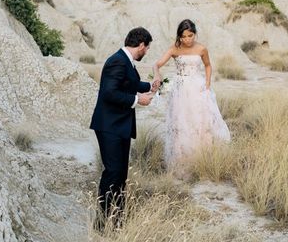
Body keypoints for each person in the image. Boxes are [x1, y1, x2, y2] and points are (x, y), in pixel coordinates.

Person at [90, 27, 160, 228]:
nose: (146, 52)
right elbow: (109, 93)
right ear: (141, 45)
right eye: (146, 48)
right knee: (112, 172)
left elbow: (128, 83)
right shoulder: (117, 61)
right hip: (109, 126)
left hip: (119, 126)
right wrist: (138, 99)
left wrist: (149, 87)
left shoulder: (124, 60)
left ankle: (118, 219)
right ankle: (102, 222)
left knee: (121, 174)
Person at [152, 19, 230, 178]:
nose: (187, 39)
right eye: (184, 36)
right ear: (179, 37)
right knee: (181, 122)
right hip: (180, 89)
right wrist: (157, 75)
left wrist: (207, 82)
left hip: (198, 88)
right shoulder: (174, 49)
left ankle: (202, 162)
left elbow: (208, 65)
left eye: (190, 35)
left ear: (195, 34)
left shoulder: (201, 48)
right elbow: (157, 64)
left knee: (201, 122)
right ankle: (182, 164)